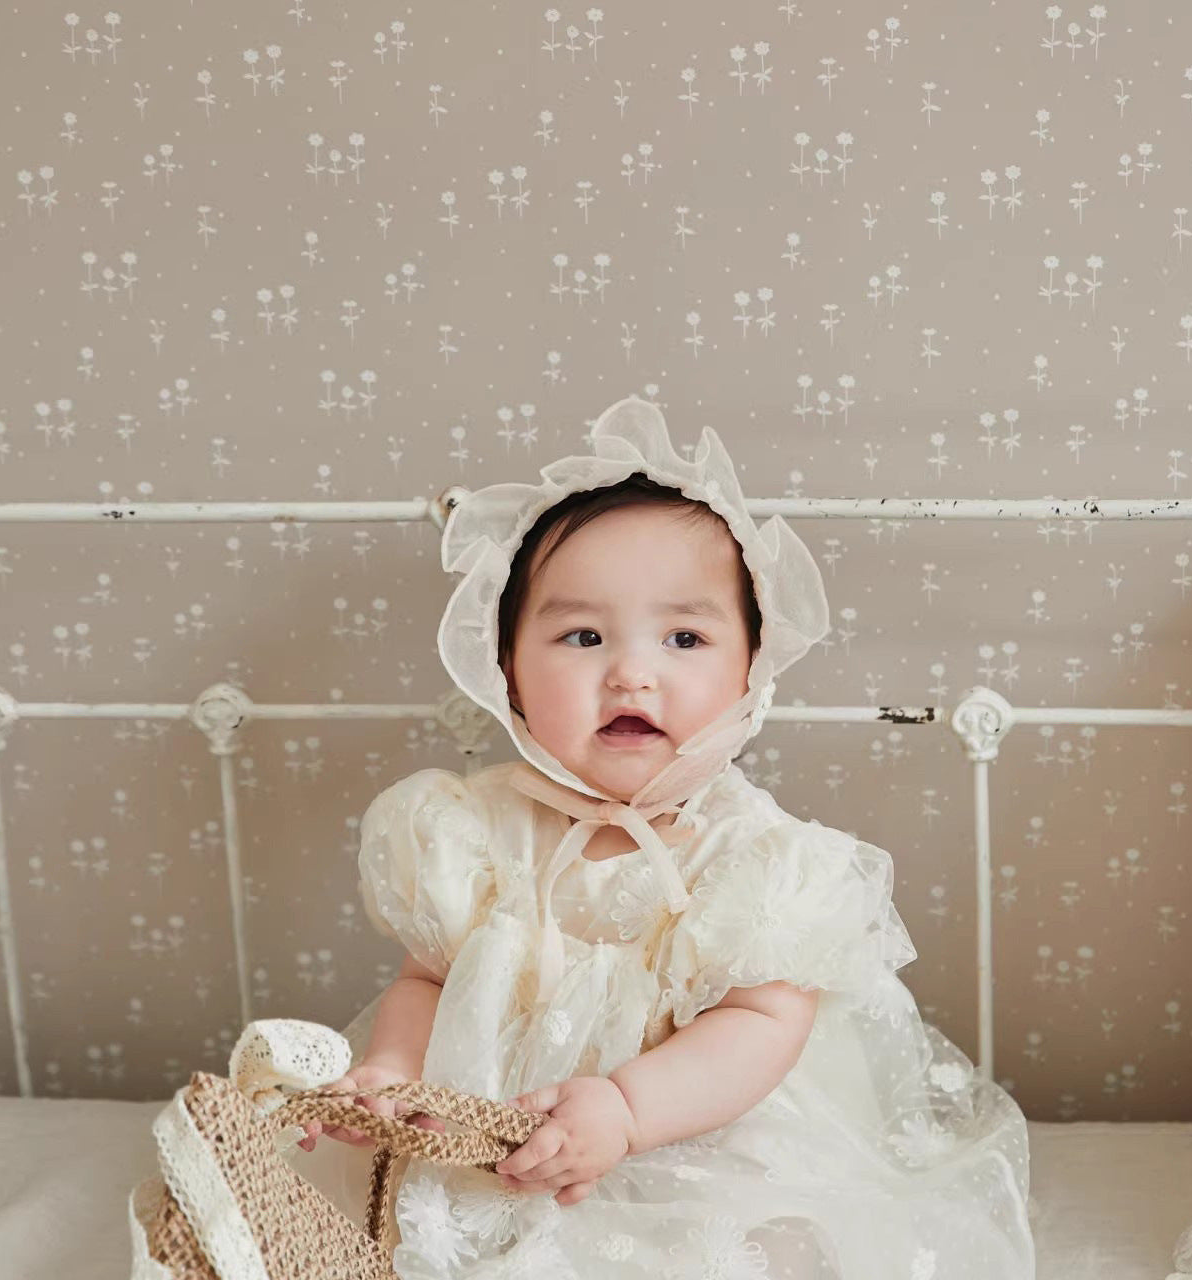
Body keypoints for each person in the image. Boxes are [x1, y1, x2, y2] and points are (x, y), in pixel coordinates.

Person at [292, 394, 1037, 1278]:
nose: (631, 672)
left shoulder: (760, 861)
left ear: (750, 672)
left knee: (744, 1250)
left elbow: (762, 1028)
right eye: (582, 635)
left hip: (697, 1146)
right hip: (484, 1143)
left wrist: (627, 1112)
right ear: (509, 674)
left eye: (685, 636)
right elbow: (425, 981)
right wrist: (390, 1067)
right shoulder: (468, 830)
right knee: (381, 1239)